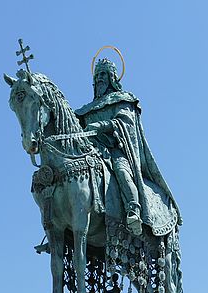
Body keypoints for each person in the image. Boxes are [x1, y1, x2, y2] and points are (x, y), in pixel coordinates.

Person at [76, 57, 181, 237]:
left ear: (112, 78)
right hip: (89, 151)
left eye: (103, 74)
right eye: (97, 75)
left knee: (122, 171)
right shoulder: (85, 110)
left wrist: (101, 126)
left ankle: (133, 210)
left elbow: (124, 121)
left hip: (115, 150)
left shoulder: (122, 99)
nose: (99, 78)